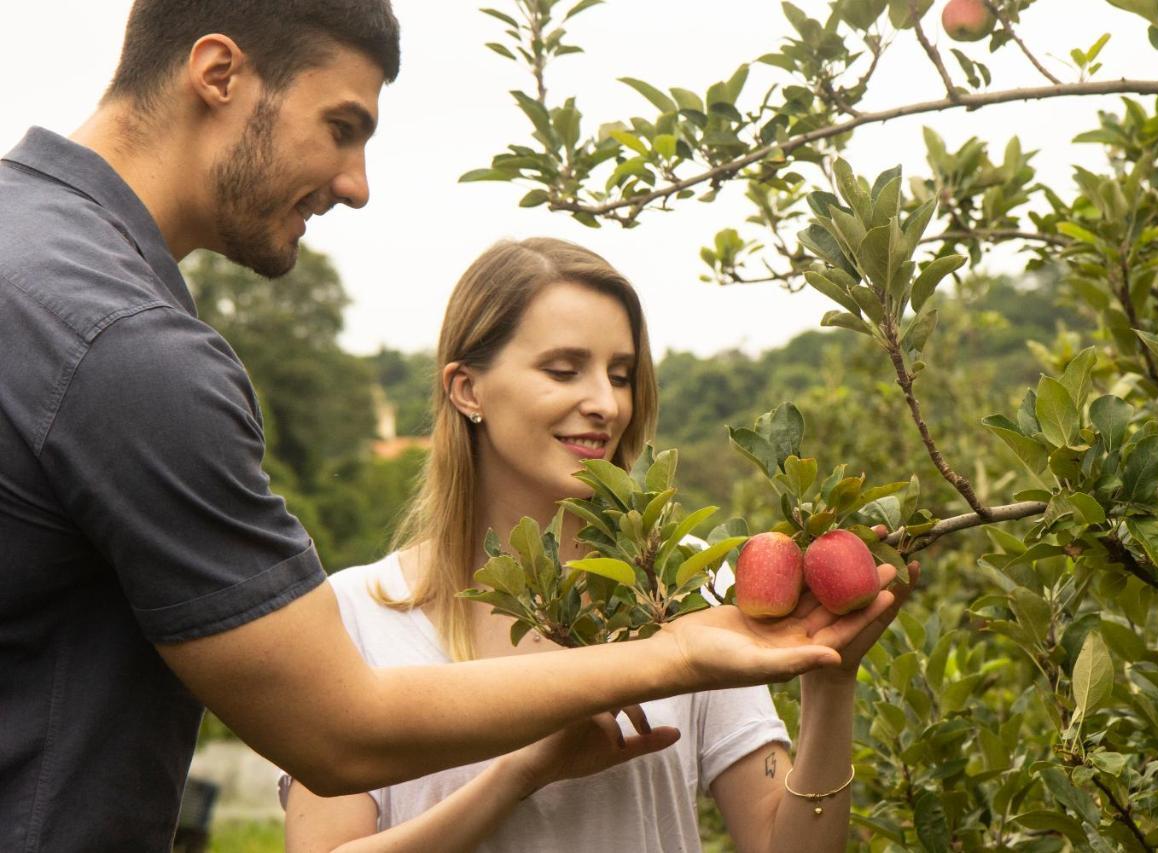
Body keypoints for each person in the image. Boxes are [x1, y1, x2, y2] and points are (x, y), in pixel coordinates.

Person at [0, 4, 905, 850]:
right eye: (342, 127)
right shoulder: (123, 345)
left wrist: (819, 682)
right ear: (218, 73)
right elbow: (339, 726)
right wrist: (665, 656)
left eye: (622, 374)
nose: (355, 185)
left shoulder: (30, 258)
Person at [281, 238, 919, 852]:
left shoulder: (686, 587)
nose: (606, 403)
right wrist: (519, 775)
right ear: (467, 389)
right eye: (564, 371)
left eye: (621, 375)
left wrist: (833, 683)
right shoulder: (355, 613)